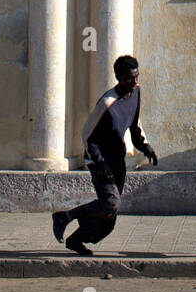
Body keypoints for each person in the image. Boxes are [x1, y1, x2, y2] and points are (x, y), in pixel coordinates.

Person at [52, 55, 158, 255]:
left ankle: (75, 240)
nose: (134, 82)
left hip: (118, 160)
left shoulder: (136, 93)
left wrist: (146, 147)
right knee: (111, 202)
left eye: (136, 77)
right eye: (129, 78)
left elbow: (134, 126)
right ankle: (64, 217)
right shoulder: (107, 103)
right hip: (100, 161)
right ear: (118, 77)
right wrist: (99, 163)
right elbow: (87, 135)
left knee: (109, 216)